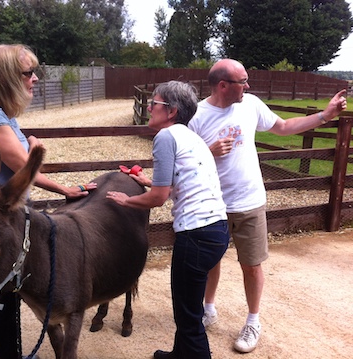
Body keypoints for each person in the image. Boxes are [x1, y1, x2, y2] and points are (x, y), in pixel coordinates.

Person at [188, 58, 348, 353]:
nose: (248, 86)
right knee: (211, 261)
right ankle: (208, 309)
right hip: (212, 204)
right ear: (223, 85)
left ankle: (252, 321)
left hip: (249, 202)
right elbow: (186, 160)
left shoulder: (250, 104)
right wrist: (207, 150)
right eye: (243, 81)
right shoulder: (197, 115)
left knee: (251, 265)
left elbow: (284, 126)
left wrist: (324, 116)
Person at [0, 44, 97, 359]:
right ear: (9, 76)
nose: (34, 78)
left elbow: (20, 155)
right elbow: (24, 167)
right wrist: (65, 189)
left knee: (6, 301)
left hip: (6, 223)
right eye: (28, 72)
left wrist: (31, 141)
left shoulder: (4, 114)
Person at [107, 80, 229, 359]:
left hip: (195, 236)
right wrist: (149, 180)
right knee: (188, 306)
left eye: (155, 103)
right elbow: (183, 182)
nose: (149, 107)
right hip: (217, 230)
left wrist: (127, 201)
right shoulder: (191, 137)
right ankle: (179, 355)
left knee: (188, 318)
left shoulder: (165, 137)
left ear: (171, 110)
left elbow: (158, 198)